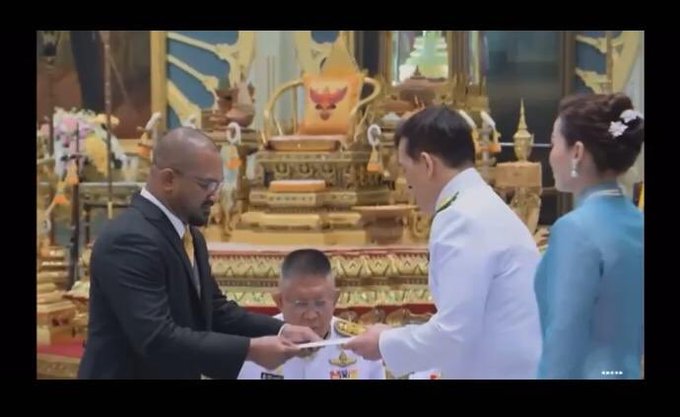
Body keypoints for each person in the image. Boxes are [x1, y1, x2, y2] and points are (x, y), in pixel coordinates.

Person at [78, 127, 320, 379]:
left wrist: (281, 330)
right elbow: (156, 337)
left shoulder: (189, 235)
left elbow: (214, 310)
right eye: (207, 184)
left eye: (218, 184)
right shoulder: (129, 239)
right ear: (169, 180)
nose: (215, 196)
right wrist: (250, 350)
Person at [344, 105, 542, 379]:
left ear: (427, 164)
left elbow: (454, 332)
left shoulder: (461, 218)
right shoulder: (481, 203)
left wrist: (383, 343)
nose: (405, 182)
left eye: (404, 168)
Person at [535, 93, 644, 379]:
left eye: (554, 143)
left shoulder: (575, 230)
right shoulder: (638, 222)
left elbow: (564, 337)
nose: (550, 155)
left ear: (577, 152)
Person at [238, 249, 386, 379]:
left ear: (335, 299)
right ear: (279, 301)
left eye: (320, 303)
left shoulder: (361, 345)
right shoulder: (255, 345)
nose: (311, 315)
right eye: (300, 304)